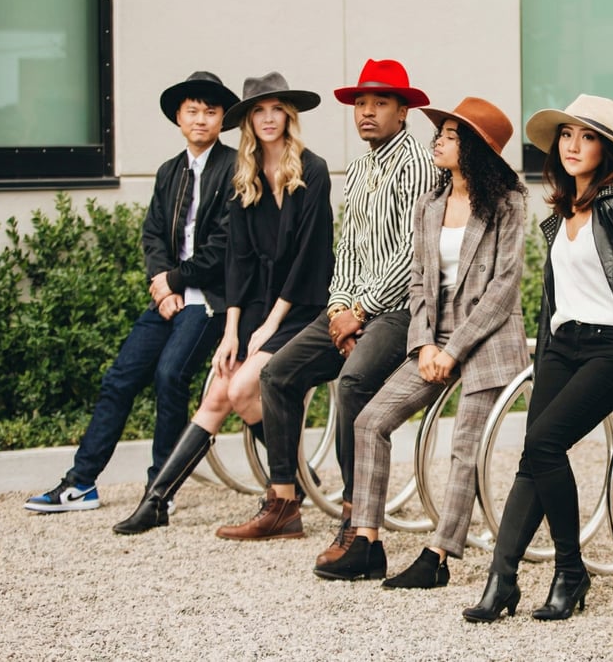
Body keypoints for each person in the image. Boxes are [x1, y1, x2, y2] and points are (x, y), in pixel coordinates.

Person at [215, 59, 437, 543]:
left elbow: (413, 253)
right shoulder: (357, 169)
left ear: (403, 111)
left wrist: (361, 311)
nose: (367, 112)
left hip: (401, 310)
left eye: (380, 103)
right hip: (352, 308)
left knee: (354, 382)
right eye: (361, 104)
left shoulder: (418, 164)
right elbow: (347, 249)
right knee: (277, 374)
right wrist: (339, 308)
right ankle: (283, 503)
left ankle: (357, 517)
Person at [462, 94, 613, 623]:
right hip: (562, 345)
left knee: (545, 443)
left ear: (606, 149)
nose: (573, 145)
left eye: (587, 137)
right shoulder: (561, 212)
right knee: (534, 455)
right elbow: (557, 299)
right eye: (567, 135)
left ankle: (570, 570)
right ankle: (502, 579)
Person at [313, 97, 530, 585]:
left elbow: (503, 289)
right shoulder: (431, 203)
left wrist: (453, 350)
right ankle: (366, 542)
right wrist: (426, 345)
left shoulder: (508, 203)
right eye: (441, 134)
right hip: (435, 339)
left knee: (464, 444)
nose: (439, 142)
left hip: (488, 339)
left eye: (451, 136)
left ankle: (438, 556)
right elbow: (417, 283)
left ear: (475, 148)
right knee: (370, 421)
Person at [112, 71, 333, 535]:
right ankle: (156, 502)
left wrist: (270, 325)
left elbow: (309, 258)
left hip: (301, 305)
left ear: (288, 117)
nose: (268, 118)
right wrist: (232, 330)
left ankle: (285, 497)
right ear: (248, 121)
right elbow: (239, 261)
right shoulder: (243, 175)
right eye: (258, 111)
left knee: (242, 388)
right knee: (220, 389)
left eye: (276, 110)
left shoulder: (311, 170)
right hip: (253, 305)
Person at [24, 72, 239, 514]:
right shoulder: (169, 171)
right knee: (119, 378)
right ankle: (81, 483)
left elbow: (226, 243)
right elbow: (153, 235)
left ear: (222, 119)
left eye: (210, 111)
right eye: (192, 111)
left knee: (170, 376)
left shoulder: (236, 168)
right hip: (169, 298)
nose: (201, 119)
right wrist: (163, 286)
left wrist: (174, 281)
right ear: (178, 117)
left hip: (211, 301)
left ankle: (162, 487)